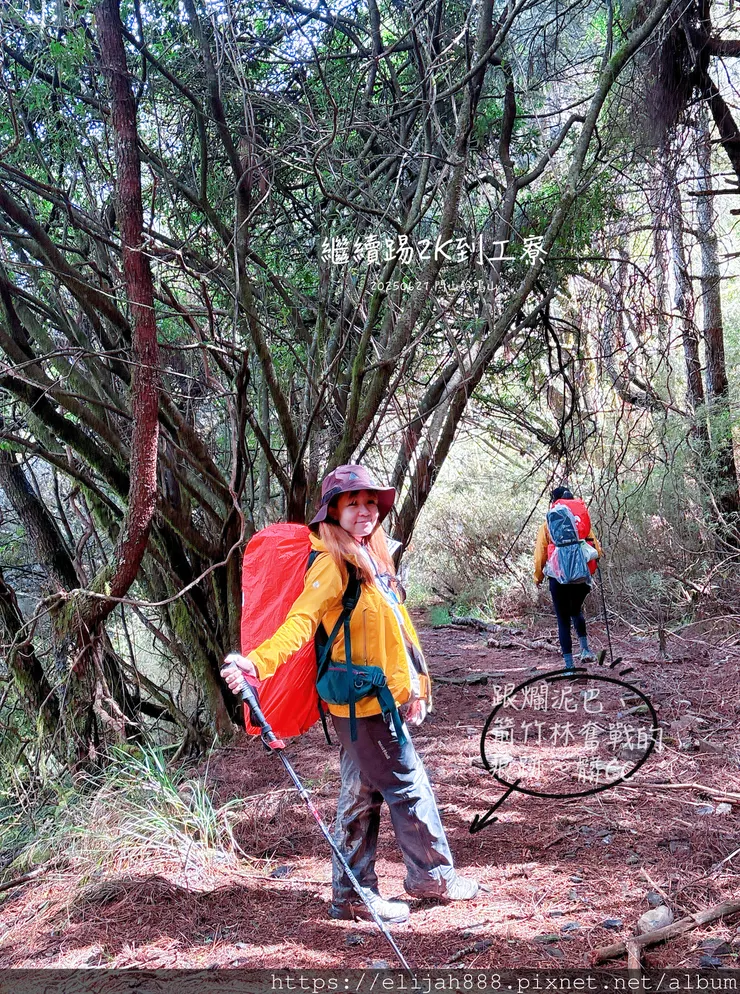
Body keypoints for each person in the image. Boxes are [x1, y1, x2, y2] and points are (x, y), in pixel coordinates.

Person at [222, 464, 478, 925]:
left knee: (361, 796)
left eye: (370, 503)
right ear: (333, 511)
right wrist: (256, 663)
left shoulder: (369, 558)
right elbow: (300, 623)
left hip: (370, 703)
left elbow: (396, 635)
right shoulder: (332, 565)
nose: (364, 511)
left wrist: (414, 688)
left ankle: (352, 894)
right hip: (363, 705)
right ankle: (432, 876)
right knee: (408, 785)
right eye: (352, 503)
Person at [533, 486, 603, 670]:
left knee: (563, 620)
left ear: (553, 502)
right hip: (581, 578)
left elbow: (540, 555)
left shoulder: (547, 525)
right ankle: (586, 651)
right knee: (576, 611)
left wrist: (538, 578)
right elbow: (597, 550)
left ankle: (569, 667)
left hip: (558, 579)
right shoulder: (582, 523)